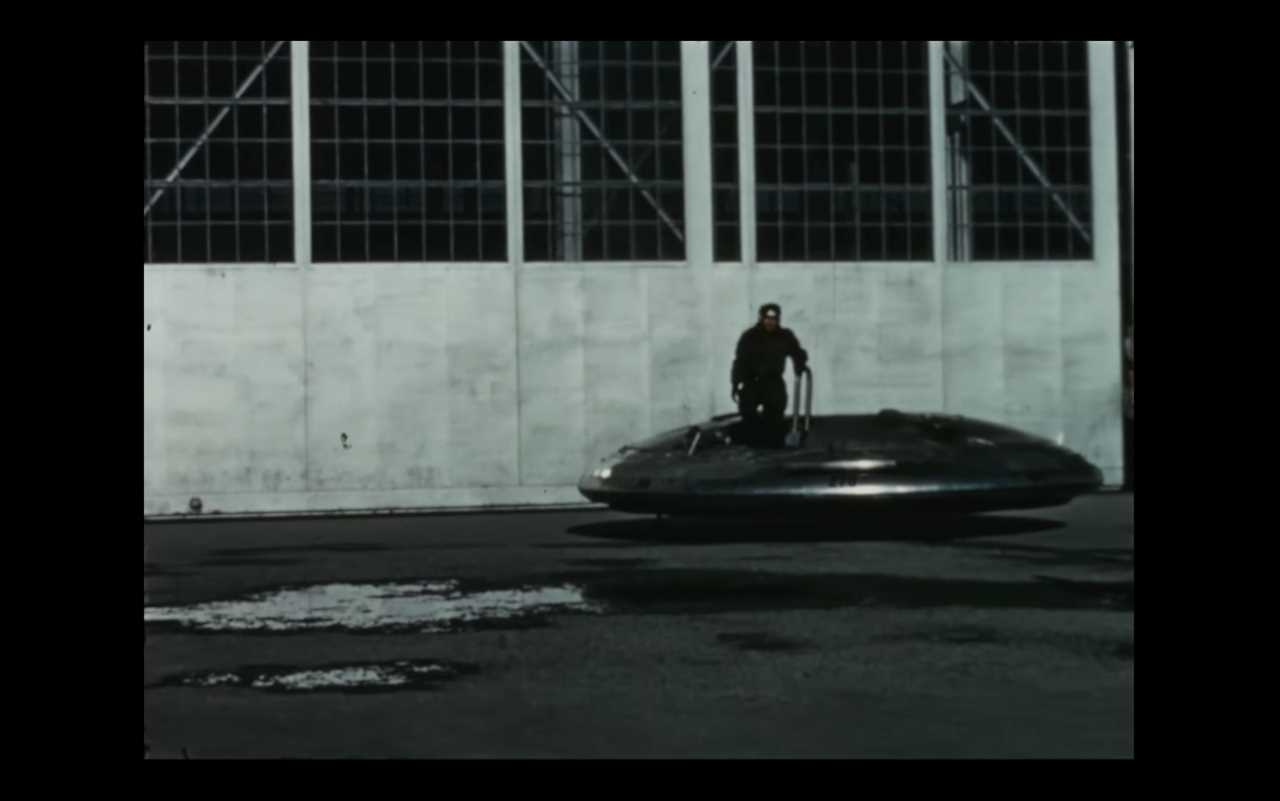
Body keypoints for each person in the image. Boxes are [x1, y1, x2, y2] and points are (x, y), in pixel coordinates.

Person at [731, 303, 809, 448]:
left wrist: (800, 365)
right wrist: (736, 384)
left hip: (773, 381)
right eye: (767, 318)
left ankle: (772, 446)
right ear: (761, 318)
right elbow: (739, 361)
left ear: (778, 319)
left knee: (775, 413)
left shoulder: (785, 336)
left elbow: (797, 352)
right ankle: (753, 445)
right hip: (752, 381)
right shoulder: (749, 336)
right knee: (748, 412)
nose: (770, 322)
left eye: (773, 318)